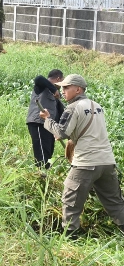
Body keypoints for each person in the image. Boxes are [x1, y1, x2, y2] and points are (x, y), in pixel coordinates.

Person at [40, 74, 124, 238]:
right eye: (61, 88)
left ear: (78, 89)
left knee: (70, 201)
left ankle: (70, 239)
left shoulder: (73, 108)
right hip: (106, 161)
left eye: (66, 87)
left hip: (86, 162)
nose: (63, 91)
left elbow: (61, 133)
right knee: (115, 203)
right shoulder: (97, 106)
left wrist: (48, 119)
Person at [26, 69, 64, 171]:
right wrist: (54, 89)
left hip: (49, 126)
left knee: (48, 152)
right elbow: (39, 78)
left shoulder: (55, 95)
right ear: (58, 79)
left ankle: (45, 176)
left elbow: (59, 113)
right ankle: (41, 176)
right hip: (39, 123)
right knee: (42, 154)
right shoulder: (43, 87)